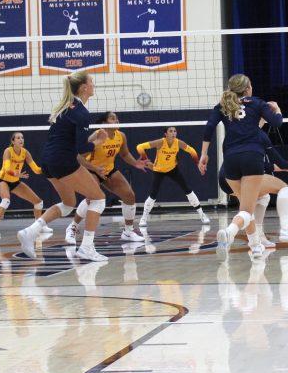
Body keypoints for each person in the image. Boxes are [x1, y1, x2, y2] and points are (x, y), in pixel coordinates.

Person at [17, 72, 110, 261]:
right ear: (84, 87)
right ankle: (87, 248)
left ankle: (30, 232)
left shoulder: (67, 107)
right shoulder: (81, 112)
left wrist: (92, 139)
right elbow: (82, 150)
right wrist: (99, 141)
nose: (94, 85)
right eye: (91, 82)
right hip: (63, 160)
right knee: (99, 199)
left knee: (68, 204)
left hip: (48, 161)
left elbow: (75, 144)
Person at [200, 74, 283, 258]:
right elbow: (276, 122)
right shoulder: (256, 103)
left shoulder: (224, 104)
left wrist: (204, 154)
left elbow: (209, 127)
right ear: (247, 89)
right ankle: (229, 233)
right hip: (251, 158)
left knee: (251, 205)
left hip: (229, 161)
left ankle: (255, 245)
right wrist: (277, 109)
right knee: (247, 209)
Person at [65, 112, 150, 246]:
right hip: (91, 169)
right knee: (92, 198)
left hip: (108, 170)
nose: (116, 121)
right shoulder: (97, 135)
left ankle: (128, 231)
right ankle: (72, 227)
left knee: (129, 195)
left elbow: (125, 153)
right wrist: (95, 168)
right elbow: (79, 157)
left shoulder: (121, 136)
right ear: (104, 123)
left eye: (117, 118)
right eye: (112, 118)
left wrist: (135, 163)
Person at [137, 127, 210, 226]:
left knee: (187, 189)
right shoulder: (160, 142)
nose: (173, 133)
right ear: (165, 134)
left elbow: (192, 150)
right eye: (170, 131)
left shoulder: (178, 143)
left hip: (172, 169)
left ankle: (202, 214)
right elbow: (140, 147)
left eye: (175, 131)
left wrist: (198, 164)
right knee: (153, 194)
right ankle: (143, 218)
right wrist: (146, 160)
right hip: (159, 170)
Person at [0, 132, 46, 238]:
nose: (21, 140)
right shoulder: (8, 151)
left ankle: (39, 225)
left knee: (38, 202)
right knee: (6, 200)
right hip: (3, 180)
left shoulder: (25, 153)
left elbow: (36, 169)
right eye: (18, 138)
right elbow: (6, 169)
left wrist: (46, 169)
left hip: (15, 182)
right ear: (13, 141)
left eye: (22, 138)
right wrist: (17, 174)